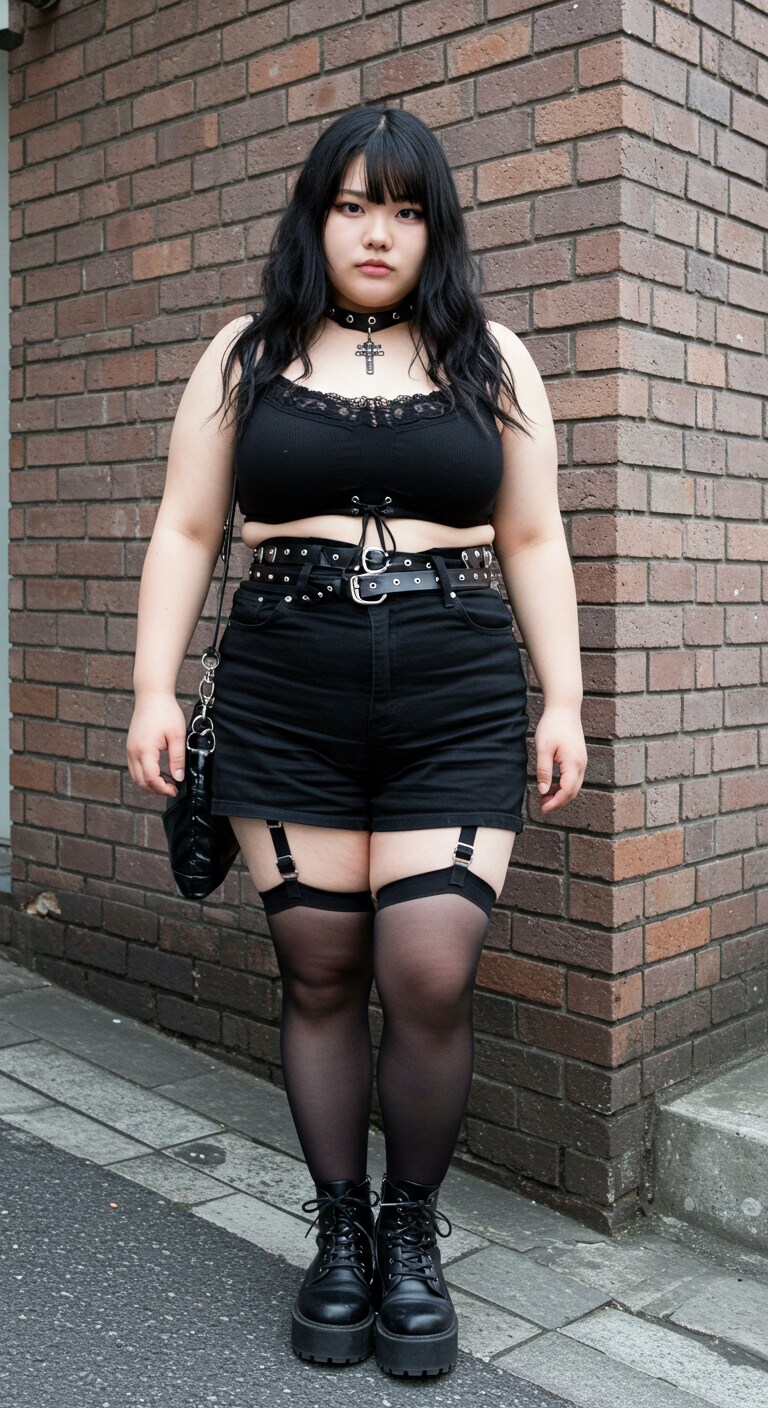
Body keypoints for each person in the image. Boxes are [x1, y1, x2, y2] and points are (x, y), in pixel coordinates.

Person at [126, 106, 587, 1379]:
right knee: (322, 972)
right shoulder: (247, 355)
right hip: (287, 685)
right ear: (316, 217)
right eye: (352, 206)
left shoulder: (492, 357)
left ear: (435, 228)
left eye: (405, 209)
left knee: (428, 971)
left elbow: (534, 536)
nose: (377, 232)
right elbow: (185, 528)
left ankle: (411, 1234)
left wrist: (563, 698)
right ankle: (340, 1233)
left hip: (456, 689)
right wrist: (152, 687)